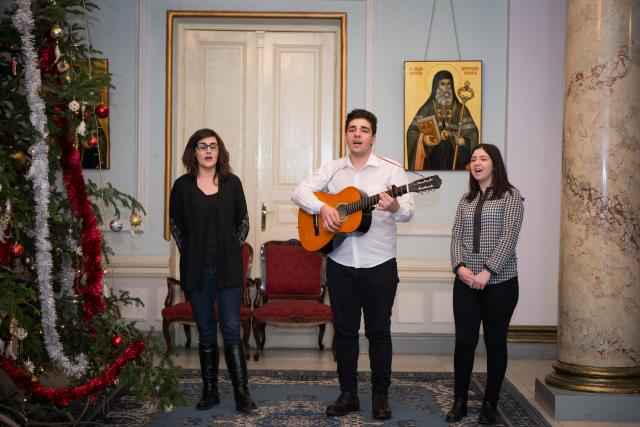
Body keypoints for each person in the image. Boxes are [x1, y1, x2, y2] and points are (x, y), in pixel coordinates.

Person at [292, 109, 415, 420]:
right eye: (352, 129)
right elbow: (300, 192)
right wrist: (323, 208)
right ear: (346, 135)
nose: (357, 134)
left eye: (364, 129)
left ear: (373, 137)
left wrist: (396, 204)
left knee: (379, 332)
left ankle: (380, 396)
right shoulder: (333, 170)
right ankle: (348, 394)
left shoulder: (391, 169)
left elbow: (408, 211)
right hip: (341, 263)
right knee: (345, 332)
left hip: (380, 264)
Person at [169, 128, 257, 414]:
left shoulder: (232, 184)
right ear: (193, 152)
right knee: (206, 329)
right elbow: (176, 227)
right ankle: (210, 392)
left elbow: (243, 223)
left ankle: (242, 394)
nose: (208, 151)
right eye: (202, 146)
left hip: (229, 268)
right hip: (196, 269)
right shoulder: (182, 186)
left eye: (213, 146)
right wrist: (191, 253)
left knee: (231, 328)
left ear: (220, 152)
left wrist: (231, 249)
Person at [446, 143, 524, 424]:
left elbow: (509, 238)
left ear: (495, 164)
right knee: (464, 342)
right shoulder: (465, 199)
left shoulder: (511, 196)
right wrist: (460, 268)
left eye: (483, 158)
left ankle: (490, 403)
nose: (477, 163)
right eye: (473, 159)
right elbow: (455, 238)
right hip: (465, 282)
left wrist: (487, 272)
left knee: (494, 342)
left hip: (501, 283)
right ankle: (460, 402)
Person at [406, 70, 479, 170]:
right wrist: (423, 139)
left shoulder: (460, 109)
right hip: (432, 157)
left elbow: (473, 134)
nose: (446, 88)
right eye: (442, 84)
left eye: (449, 84)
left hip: (453, 155)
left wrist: (463, 141)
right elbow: (411, 132)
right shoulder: (426, 109)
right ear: (436, 86)